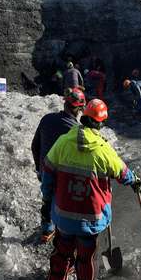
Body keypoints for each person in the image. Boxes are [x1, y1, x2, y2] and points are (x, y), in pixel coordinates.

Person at [42, 99, 141, 280]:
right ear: (100, 122)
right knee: (87, 267)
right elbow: (123, 172)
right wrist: (135, 181)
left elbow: (48, 174)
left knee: (60, 259)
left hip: (64, 219)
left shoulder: (63, 142)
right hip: (91, 222)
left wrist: (47, 201)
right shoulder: (103, 149)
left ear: (83, 117)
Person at [31, 88, 86, 243]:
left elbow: (35, 145)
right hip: (63, 175)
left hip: (44, 170)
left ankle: (46, 229)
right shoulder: (76, 130)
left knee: (47, 198)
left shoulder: (46, 118)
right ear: (79, 109)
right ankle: (63, 231)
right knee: (63, 202)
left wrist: (38, 167)